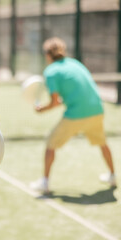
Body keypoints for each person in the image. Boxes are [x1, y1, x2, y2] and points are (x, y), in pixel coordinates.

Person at [30, 37, 116, 194]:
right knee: (103, 143)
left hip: (77, 114)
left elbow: (54, 102)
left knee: (50, 145)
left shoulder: (50, 71)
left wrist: (41, 109)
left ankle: (44, 183)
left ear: (48, 55)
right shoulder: (75, 63)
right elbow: (80, 89)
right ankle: (113, 176)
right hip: (97, 109)